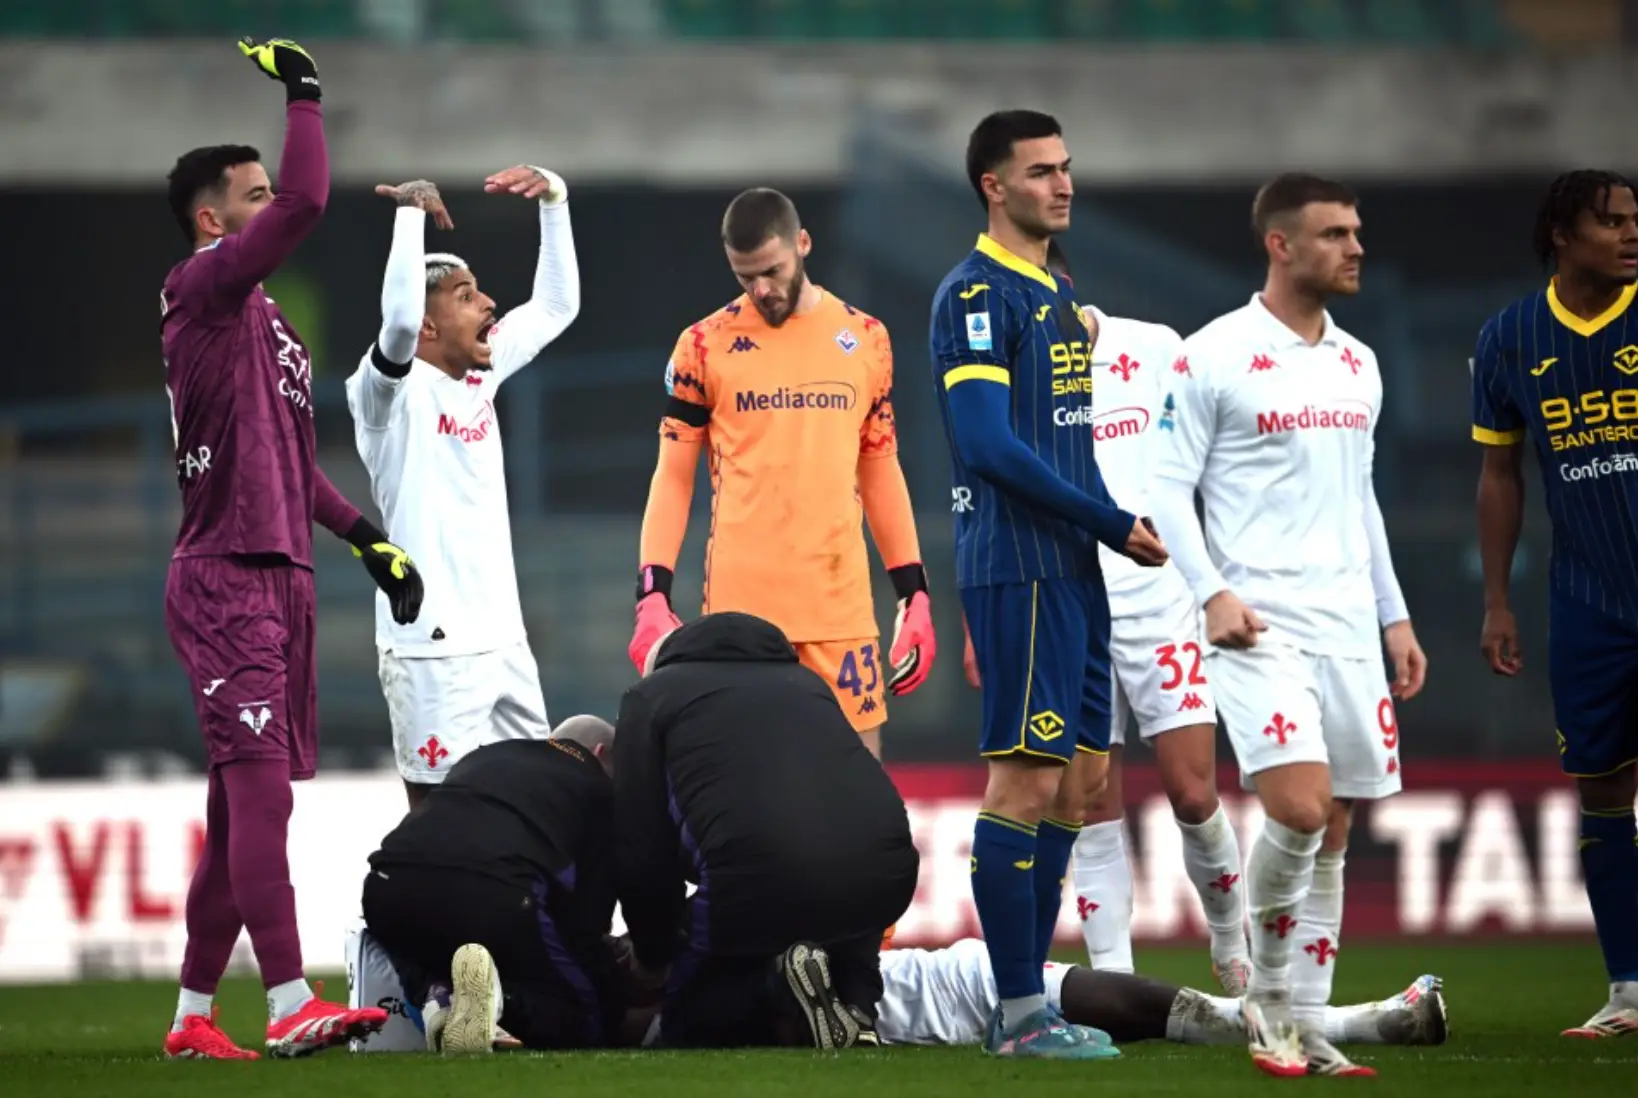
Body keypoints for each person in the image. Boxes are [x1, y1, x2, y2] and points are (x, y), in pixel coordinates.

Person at [158, 37, 421, 1061]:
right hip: (225, 574)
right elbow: (310, 201)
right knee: (260, 792)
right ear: (213, 220)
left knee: (238, 814)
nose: (276, 206)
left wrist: (369, 543)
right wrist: (305, 96)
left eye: (270, 190)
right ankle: (284, 1001)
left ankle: (189, 1019)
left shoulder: (270, 326)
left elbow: (292, 466)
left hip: (284, 574)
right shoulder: (204, 293)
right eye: (252, 196)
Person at [1148, 173, 1427, 1078]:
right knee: (1299, 809)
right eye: (1336, 234)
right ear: (1281, 245)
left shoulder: (1359, 364)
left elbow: (1363, 499)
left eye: (1357, 231)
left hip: (1349, 624)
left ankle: (1305, 1022)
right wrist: (1209, 591)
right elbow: (1164, 488)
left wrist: (1395, 615)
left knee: (1336, 828)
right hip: (1257, 626)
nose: (1356, 248)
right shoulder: (1213, 354)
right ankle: (1268, 1001)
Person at [927, 109, 1168, 1060]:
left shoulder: (1059, 297)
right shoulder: (976, 294)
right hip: (1020, 565)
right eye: (1040, 172)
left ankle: (1034, 1006)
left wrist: (1112, 526)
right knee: (1023, 785)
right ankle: (1021, 1010)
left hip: (1073, 566)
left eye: (1066, 168)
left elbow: (1067, 438)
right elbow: (986, 445)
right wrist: (1107, 522)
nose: (1062, 185)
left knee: (1081, 783)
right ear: (994, 186)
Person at [961, 242, 1248, 992]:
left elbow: (1207, 466)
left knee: (1193, 793)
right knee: (1087, 798)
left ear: (1065, 289)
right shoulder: (1015, 382)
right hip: (1064, 598)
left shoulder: (1153, 348)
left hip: (1162, 602)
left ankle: (1232, 935)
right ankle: (1116, 977)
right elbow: (993, 491)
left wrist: (1217, 580)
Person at [627, 188, 935, 759]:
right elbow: (672, 476)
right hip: (741, 621)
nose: (761, 289)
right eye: (746, 278)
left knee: (858, 804)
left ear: (803, 244)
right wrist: (651, 593)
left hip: (839, 610)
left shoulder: (867, 339)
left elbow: (880, 467)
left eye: (772, 270)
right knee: (748, 796)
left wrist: (912, 594)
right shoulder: (703, 344)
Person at [345, 164, 579, 807]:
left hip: (504, 638)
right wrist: (411, 214)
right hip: (431, 649)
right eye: (466, 294)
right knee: (437, 817)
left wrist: (554, 199)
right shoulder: (384, 396)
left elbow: (557, 306)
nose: (489, 305)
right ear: (427, 327)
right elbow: (394, 323)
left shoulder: (479, 373)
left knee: (537, 804)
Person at [1472, 169, 1638, 1039]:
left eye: (1633, 220)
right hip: (1587, 599)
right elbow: (1500, 474)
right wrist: (1497, 599)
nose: (1629, 234)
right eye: (1611, 222)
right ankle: (1629, 991)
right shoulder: (1510, 338)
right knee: (1603, 786)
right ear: (1563, 234)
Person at [613, 613, 919, 1049]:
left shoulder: (649, 697)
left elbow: (643, 852)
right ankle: (858, 1008)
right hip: (888, 865)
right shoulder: (810, 684)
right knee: (853, 919)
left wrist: (653, 952)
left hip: (758, 875)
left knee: (687, 1019)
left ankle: (778, 984)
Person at [360, 716, 628, 1054]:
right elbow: (588, 919)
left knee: (415, 938)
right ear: (599, 752)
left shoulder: (483, 757)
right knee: (587, 1015)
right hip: (497, 895)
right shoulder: (596, 787)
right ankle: (501, 1004)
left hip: (387, 883)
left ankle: (437, 998)